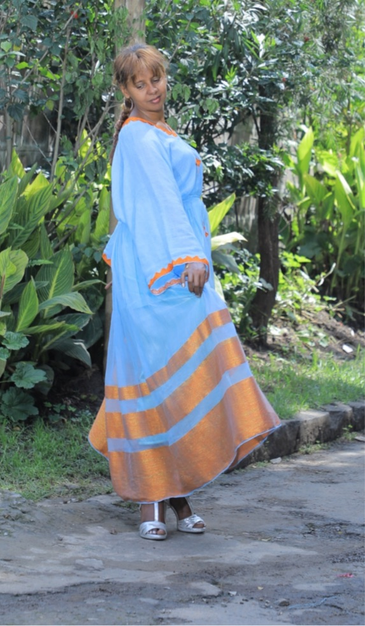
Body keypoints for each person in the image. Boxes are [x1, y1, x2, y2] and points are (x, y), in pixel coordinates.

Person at [89, 43, 281, 541]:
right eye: (139, 82)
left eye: (156, 78)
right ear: (125, 90)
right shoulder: (137, 137)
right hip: (162, 271)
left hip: (164, 265)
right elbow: (155, 204)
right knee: (152, 380)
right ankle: (152, 503)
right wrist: (190, 258)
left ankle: (176, 497)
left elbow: (152, 204)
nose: (151, 89)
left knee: (173, 380)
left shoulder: (157, 132)